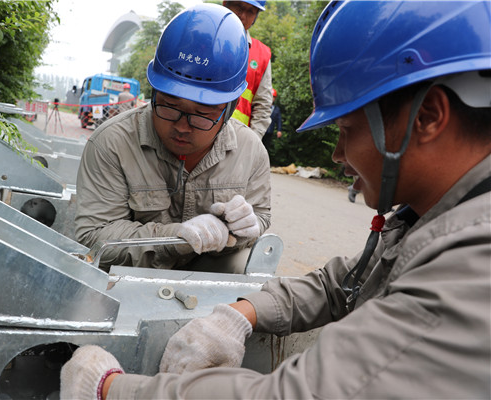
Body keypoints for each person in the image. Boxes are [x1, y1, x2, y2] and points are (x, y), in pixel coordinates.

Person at [61, 1, 491, 398]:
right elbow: (342, 283)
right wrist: (242, 312)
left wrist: (111, 389)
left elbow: (297, 392)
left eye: (345, 131)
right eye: (169, 106)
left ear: (429, 116)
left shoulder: (472, 262)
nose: (338, 156)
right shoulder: (428, 218)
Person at [75, 4, 271, 272]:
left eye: (202, 114)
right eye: (169, 106)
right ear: (154, 91)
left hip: (207, 274)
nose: (182, 126)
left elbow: (261, 217)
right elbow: (93, 236)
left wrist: (249, 227)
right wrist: (176, 238)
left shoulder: (251, 151)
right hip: (125, 281)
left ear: (230, 109)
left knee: (246, 265)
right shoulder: (112, 143)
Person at [223, 0, 273, 139]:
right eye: (238, 7)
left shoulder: (262, 55)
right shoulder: (204, 39)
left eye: (250, 11)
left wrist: (252, 144)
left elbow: (263, 105)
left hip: (236, 141)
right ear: (225, 4)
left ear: (255, 17)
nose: (242, 15)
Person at [262, 88, 282, 155]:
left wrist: (279, 130)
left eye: (273, 97)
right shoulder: (262, 106)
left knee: (266, 146)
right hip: (261, 129)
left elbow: (279, 120)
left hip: (269, 130)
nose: (272, 98)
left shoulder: (276, 109)